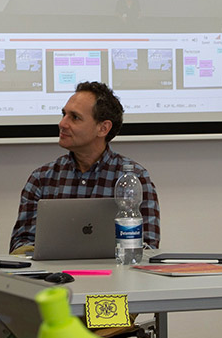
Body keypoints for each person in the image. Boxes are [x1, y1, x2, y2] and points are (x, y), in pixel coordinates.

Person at [9, 81, 160, 253]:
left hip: (115, 277)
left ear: (103, 128)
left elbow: (148, 248)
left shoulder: (135, 179)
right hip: (53, 278)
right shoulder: (42, 179)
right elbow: (20, 244)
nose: (62, 124)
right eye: (63, 114)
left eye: (74, 117)